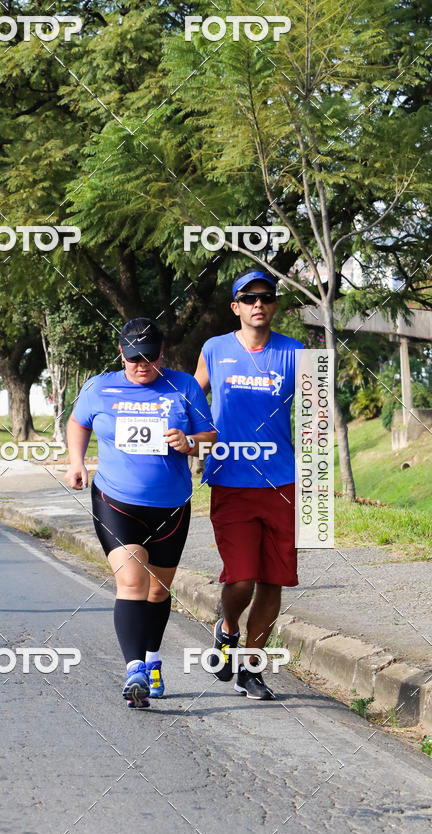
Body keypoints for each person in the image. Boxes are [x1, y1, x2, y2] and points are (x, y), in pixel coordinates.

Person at [65, 318, 215, 708]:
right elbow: (77, 423)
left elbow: (211, 439)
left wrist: (189, 442)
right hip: (116, 500)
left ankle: (151, 659)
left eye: (149, 358)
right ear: (121, 353)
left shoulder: (184, 387)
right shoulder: (99, 387)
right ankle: (134, 671)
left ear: (162, 353)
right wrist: (76, 461)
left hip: (171, 506)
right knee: (132, 583)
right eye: (133, 359)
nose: (141, 366)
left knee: (158, 590)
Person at [194, 268, 304, 700]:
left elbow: (317, 415)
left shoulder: (296, 353)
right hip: (231, 479)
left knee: (273, 580)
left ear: (274, 305)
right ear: (235, 307)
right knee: (241, 578)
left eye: (266, 297)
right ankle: (227, 629)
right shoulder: (215, 348)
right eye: (249, 298)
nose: (259, 304)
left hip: (282, 482)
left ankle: (251, 669)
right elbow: (191, 398)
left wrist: (317, 479)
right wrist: (187, 442)